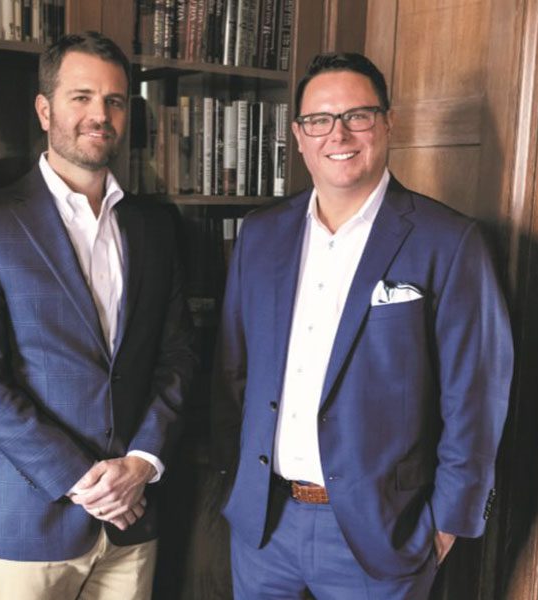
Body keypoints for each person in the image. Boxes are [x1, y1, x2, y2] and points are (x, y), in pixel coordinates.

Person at [211, 52, 513, 599]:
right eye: (319, 120)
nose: (338, 133)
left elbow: (476, 395)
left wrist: (448, 522)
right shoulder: (260, 235)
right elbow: (232, 370)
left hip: (381, 536)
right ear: (300, 137)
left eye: (358, 115)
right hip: (263, 528)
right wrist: (233, 484)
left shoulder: (448, 241)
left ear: (388, 124)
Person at [0, 31, 195, 600]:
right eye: (80, 97)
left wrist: (142, 463)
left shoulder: (154, 228)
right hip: (29, 520)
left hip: (134, 518)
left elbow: (177, 355)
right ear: (44, 109)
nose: (98, 114)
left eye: (114, 100)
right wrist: (85, 481)